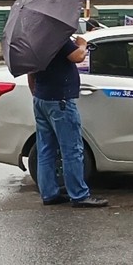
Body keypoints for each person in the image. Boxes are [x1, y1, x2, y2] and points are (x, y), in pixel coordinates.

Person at [27, 35, 108, 208]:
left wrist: (36, 93)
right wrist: (83, 44)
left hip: (41, 99)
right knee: (71, 149)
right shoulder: (58, 37)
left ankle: (49, 193)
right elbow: (77, 56)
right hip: (60, 101)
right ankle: (79, 195)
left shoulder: (35, 40)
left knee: (46, 149)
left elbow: (30, 72)